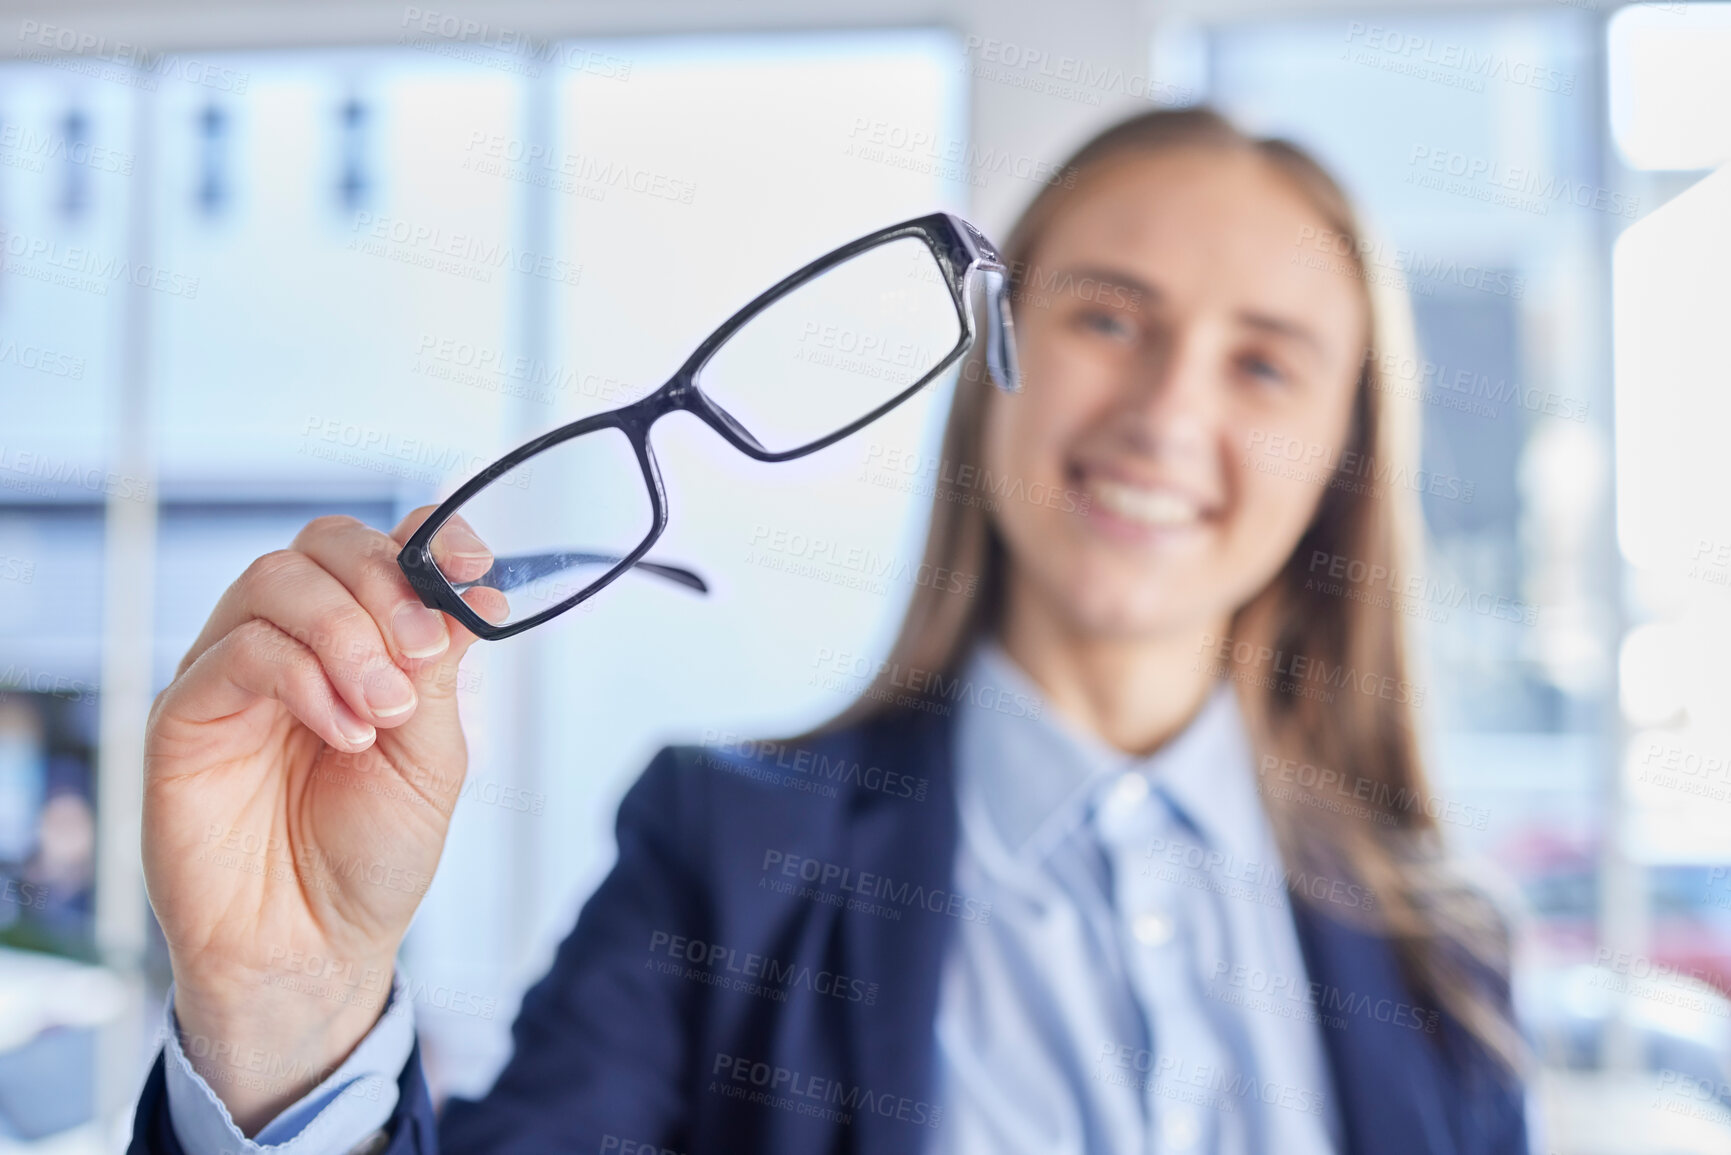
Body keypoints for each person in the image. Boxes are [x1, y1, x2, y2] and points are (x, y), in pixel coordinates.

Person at [128, 107, 1528, 1154]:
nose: (1167, 413)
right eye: (1110, 318)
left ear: (1346, 443)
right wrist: (289, 1019)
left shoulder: (1440, 961)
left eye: (1265, 360)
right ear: (996, 361)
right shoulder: (724, 859)